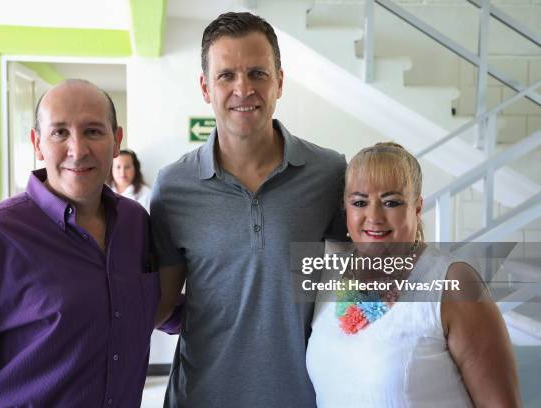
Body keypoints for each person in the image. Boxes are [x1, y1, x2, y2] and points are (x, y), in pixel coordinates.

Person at [0, 79, 168, 406]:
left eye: (94, 131)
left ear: (117, 141)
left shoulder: (135, 222)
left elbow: (141, 305)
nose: (78, 149)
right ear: (37, 143)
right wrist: (2, 398)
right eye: (59, 132)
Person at [151, 12, 347, 407]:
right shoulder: (173, 187)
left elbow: (364, 280)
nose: (244, 89)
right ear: (205, 88)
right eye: (226, 76)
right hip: (200, 396)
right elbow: (160, 305)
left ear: (280, 82)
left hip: (301, 396)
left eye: (258, 73)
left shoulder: (329, 173)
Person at [306, 142, 521, 407]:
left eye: (391, 202)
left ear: (417, 208)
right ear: (346, 209)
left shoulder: (454, 283)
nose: (374, 216)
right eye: (360, 202)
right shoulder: (328, 271)